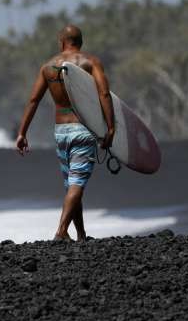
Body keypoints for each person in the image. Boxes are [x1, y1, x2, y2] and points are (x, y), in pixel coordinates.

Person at [15, 25, 115, 241]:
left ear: (61, 42)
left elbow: (33, 100)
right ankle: (61, 231)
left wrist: (22, 133)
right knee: (77, 183)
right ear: (81, 42)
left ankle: (80, 234)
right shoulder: (91, 62)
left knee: (72, 184)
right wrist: (111, 127)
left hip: (60, 131)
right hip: (83, 129)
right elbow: (104, 94)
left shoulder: (48, 66)